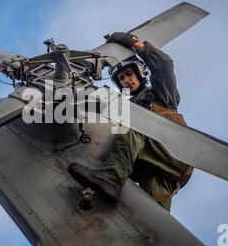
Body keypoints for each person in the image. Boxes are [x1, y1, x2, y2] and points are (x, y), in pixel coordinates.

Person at [68, 32, 193, 212]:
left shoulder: (158, 95)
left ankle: (110, 179)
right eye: (121, 78)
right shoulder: (124, 107)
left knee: (129, 126)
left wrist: (133, 43)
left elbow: (164, 65)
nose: (126, 80)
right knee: (150, 216)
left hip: (173, 151)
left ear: (140, 73)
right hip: (155, 167)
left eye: (129, 74)